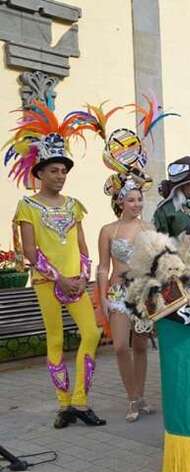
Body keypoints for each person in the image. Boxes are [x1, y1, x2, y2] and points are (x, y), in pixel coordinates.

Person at [7, 102, 104, 428]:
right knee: (56, 340)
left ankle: (80, 400)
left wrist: (83, 276)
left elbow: (82, 245)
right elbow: (31, 252)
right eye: (54, 171)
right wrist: (60, 278)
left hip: (76, 282)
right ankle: (64, 406)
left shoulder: (74, 205)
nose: (60, 176)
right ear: (39, 173)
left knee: (91, 333)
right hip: (47, 282)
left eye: (63, 171)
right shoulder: (27, 206)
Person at [95, 114, 158, 423]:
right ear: (120, 202)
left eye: (139, 199)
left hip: (142, 293)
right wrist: (102, 299)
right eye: (131, 200)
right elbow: (102, 267)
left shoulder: (149, 228)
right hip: (119, 293)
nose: (137, 204)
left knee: (141, 346)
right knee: (121, 347)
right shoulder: (108, 230)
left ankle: (140, 398)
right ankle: (130, 396)